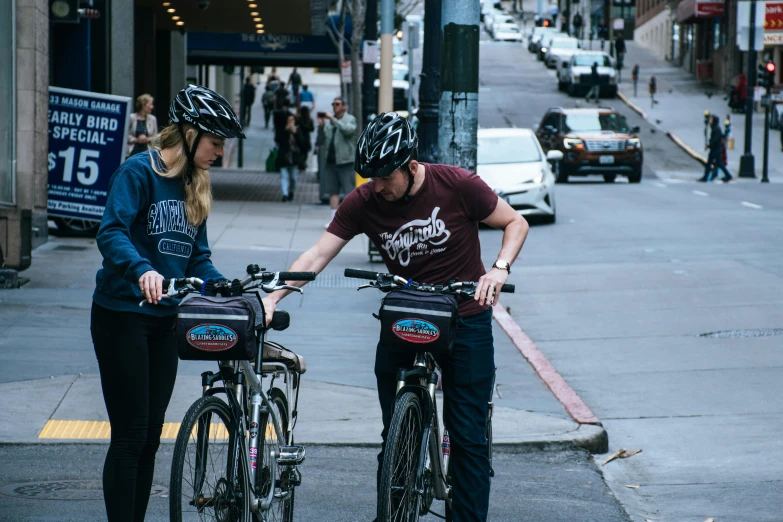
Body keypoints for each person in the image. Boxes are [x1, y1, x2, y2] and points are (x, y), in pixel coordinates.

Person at [260, 112, 528, 522]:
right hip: (407, 314)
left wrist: (499, 269)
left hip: (465, 316)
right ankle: (394, 506)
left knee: (467, 435)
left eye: (386, 176)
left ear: (412, 166)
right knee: (395, 432)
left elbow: (515, 222)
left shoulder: (457, 185)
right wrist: (273, 298)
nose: (377, 186)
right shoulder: (365, 201)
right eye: (371, 177)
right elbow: (316, 255)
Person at [91, 84, 244, 522]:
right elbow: (111, 232)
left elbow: (198, 258)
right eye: (215, 142)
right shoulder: (139, 173)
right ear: (191, 134)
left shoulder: (196, 186)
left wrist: (223, 286)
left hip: (164, 322)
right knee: (130, 435)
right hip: (122, 315)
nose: (220, 152)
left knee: (152, 436)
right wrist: (143, 270)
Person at [319, 97, 357, 227]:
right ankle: (334, 220)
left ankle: (350, 219)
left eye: (337, 104)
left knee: (349, 192)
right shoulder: (330, 123)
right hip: (331, 162)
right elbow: (322, 139)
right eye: (333, 104)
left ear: (344, 107)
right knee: (332, 191)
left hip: (345, 161)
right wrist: (322, 126)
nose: (334, 106)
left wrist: (333, 120)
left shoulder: (350, 119)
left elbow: (348, 130)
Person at [275, 112, 307, 202]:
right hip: (284, 156)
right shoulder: (283, 130)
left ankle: (291, 191)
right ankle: (284, 194)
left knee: (293, 177)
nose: (290, 122)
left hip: (294, 156)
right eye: (289, 120)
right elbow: (278, 140)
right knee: (283, 175)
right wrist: (286, 132)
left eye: (292, 120)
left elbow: (303, 144)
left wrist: (295, 133)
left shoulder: (298, 130)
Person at [700, 114, 733, 182]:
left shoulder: (716, 129)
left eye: (711, 119)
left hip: (715, 150)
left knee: (711, 164)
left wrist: (709, 146)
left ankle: (706, 177)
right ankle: (728, 176)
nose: (709, 120)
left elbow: (715, 140)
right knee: (718, 164)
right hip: (715, 149)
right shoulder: (714, 128)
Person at [296, 105, 315, 171]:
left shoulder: (298, 119)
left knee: (300, 151)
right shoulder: (310, 120)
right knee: (305, 152)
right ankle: (303, 163)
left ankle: (300, 163)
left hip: (299, 137)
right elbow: (312, 129)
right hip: (306, 137)